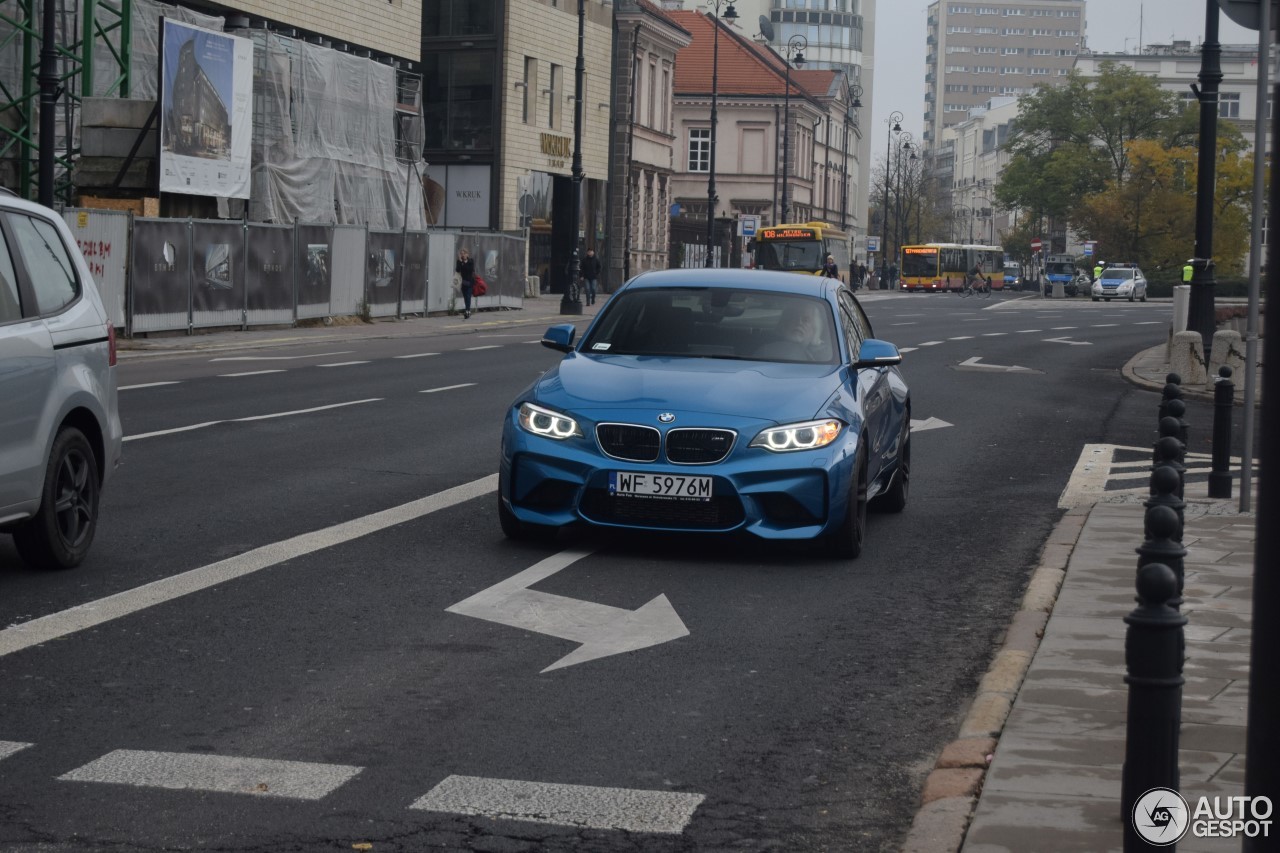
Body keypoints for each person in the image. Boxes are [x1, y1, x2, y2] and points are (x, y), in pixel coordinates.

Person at [455, 247, 475, 319]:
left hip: (469, 282)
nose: (462, 255)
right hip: (463, 282)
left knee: (468, 296)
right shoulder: (459, 262)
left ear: (467, 254)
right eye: (461, 254)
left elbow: (469, 269)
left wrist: (463, 263)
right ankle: (467, 309)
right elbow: (457, 270)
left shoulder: (471, 261)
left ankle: (467, 310)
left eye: (464, 254)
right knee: (465, 297)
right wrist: (460, 262)